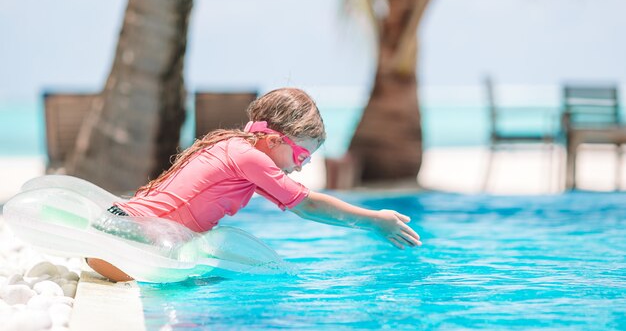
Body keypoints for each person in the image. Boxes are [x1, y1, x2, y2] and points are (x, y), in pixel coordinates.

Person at [87, 88, 421, 281]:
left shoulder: (233, 147)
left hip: (120, 229)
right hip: (129, 244)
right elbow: (308, 206)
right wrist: (373, 221)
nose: (302, 166)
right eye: (302, 154)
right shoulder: (249, 158)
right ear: (275, 139)